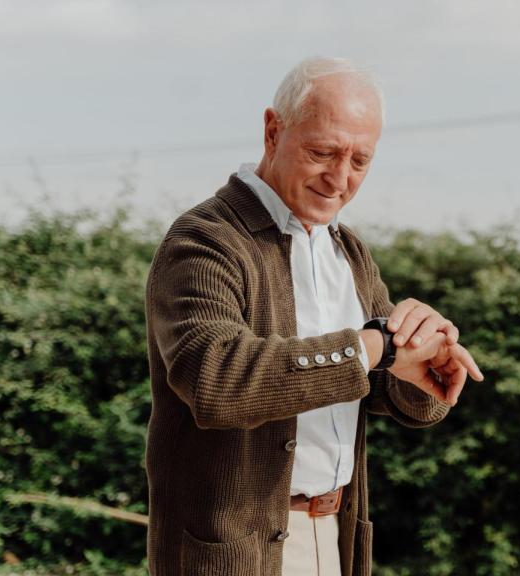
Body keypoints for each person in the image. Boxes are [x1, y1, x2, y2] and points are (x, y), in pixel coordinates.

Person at [143, 57, 483, 576]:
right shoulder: (204, 240)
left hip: (337, 535)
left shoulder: (348, 251)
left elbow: (401, 393)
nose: (339, 179)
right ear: (272, 130)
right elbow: (216, 382)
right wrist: (374, 348)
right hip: (233, 553)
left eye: (360, 161)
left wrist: (427, 363)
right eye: (322, 152)